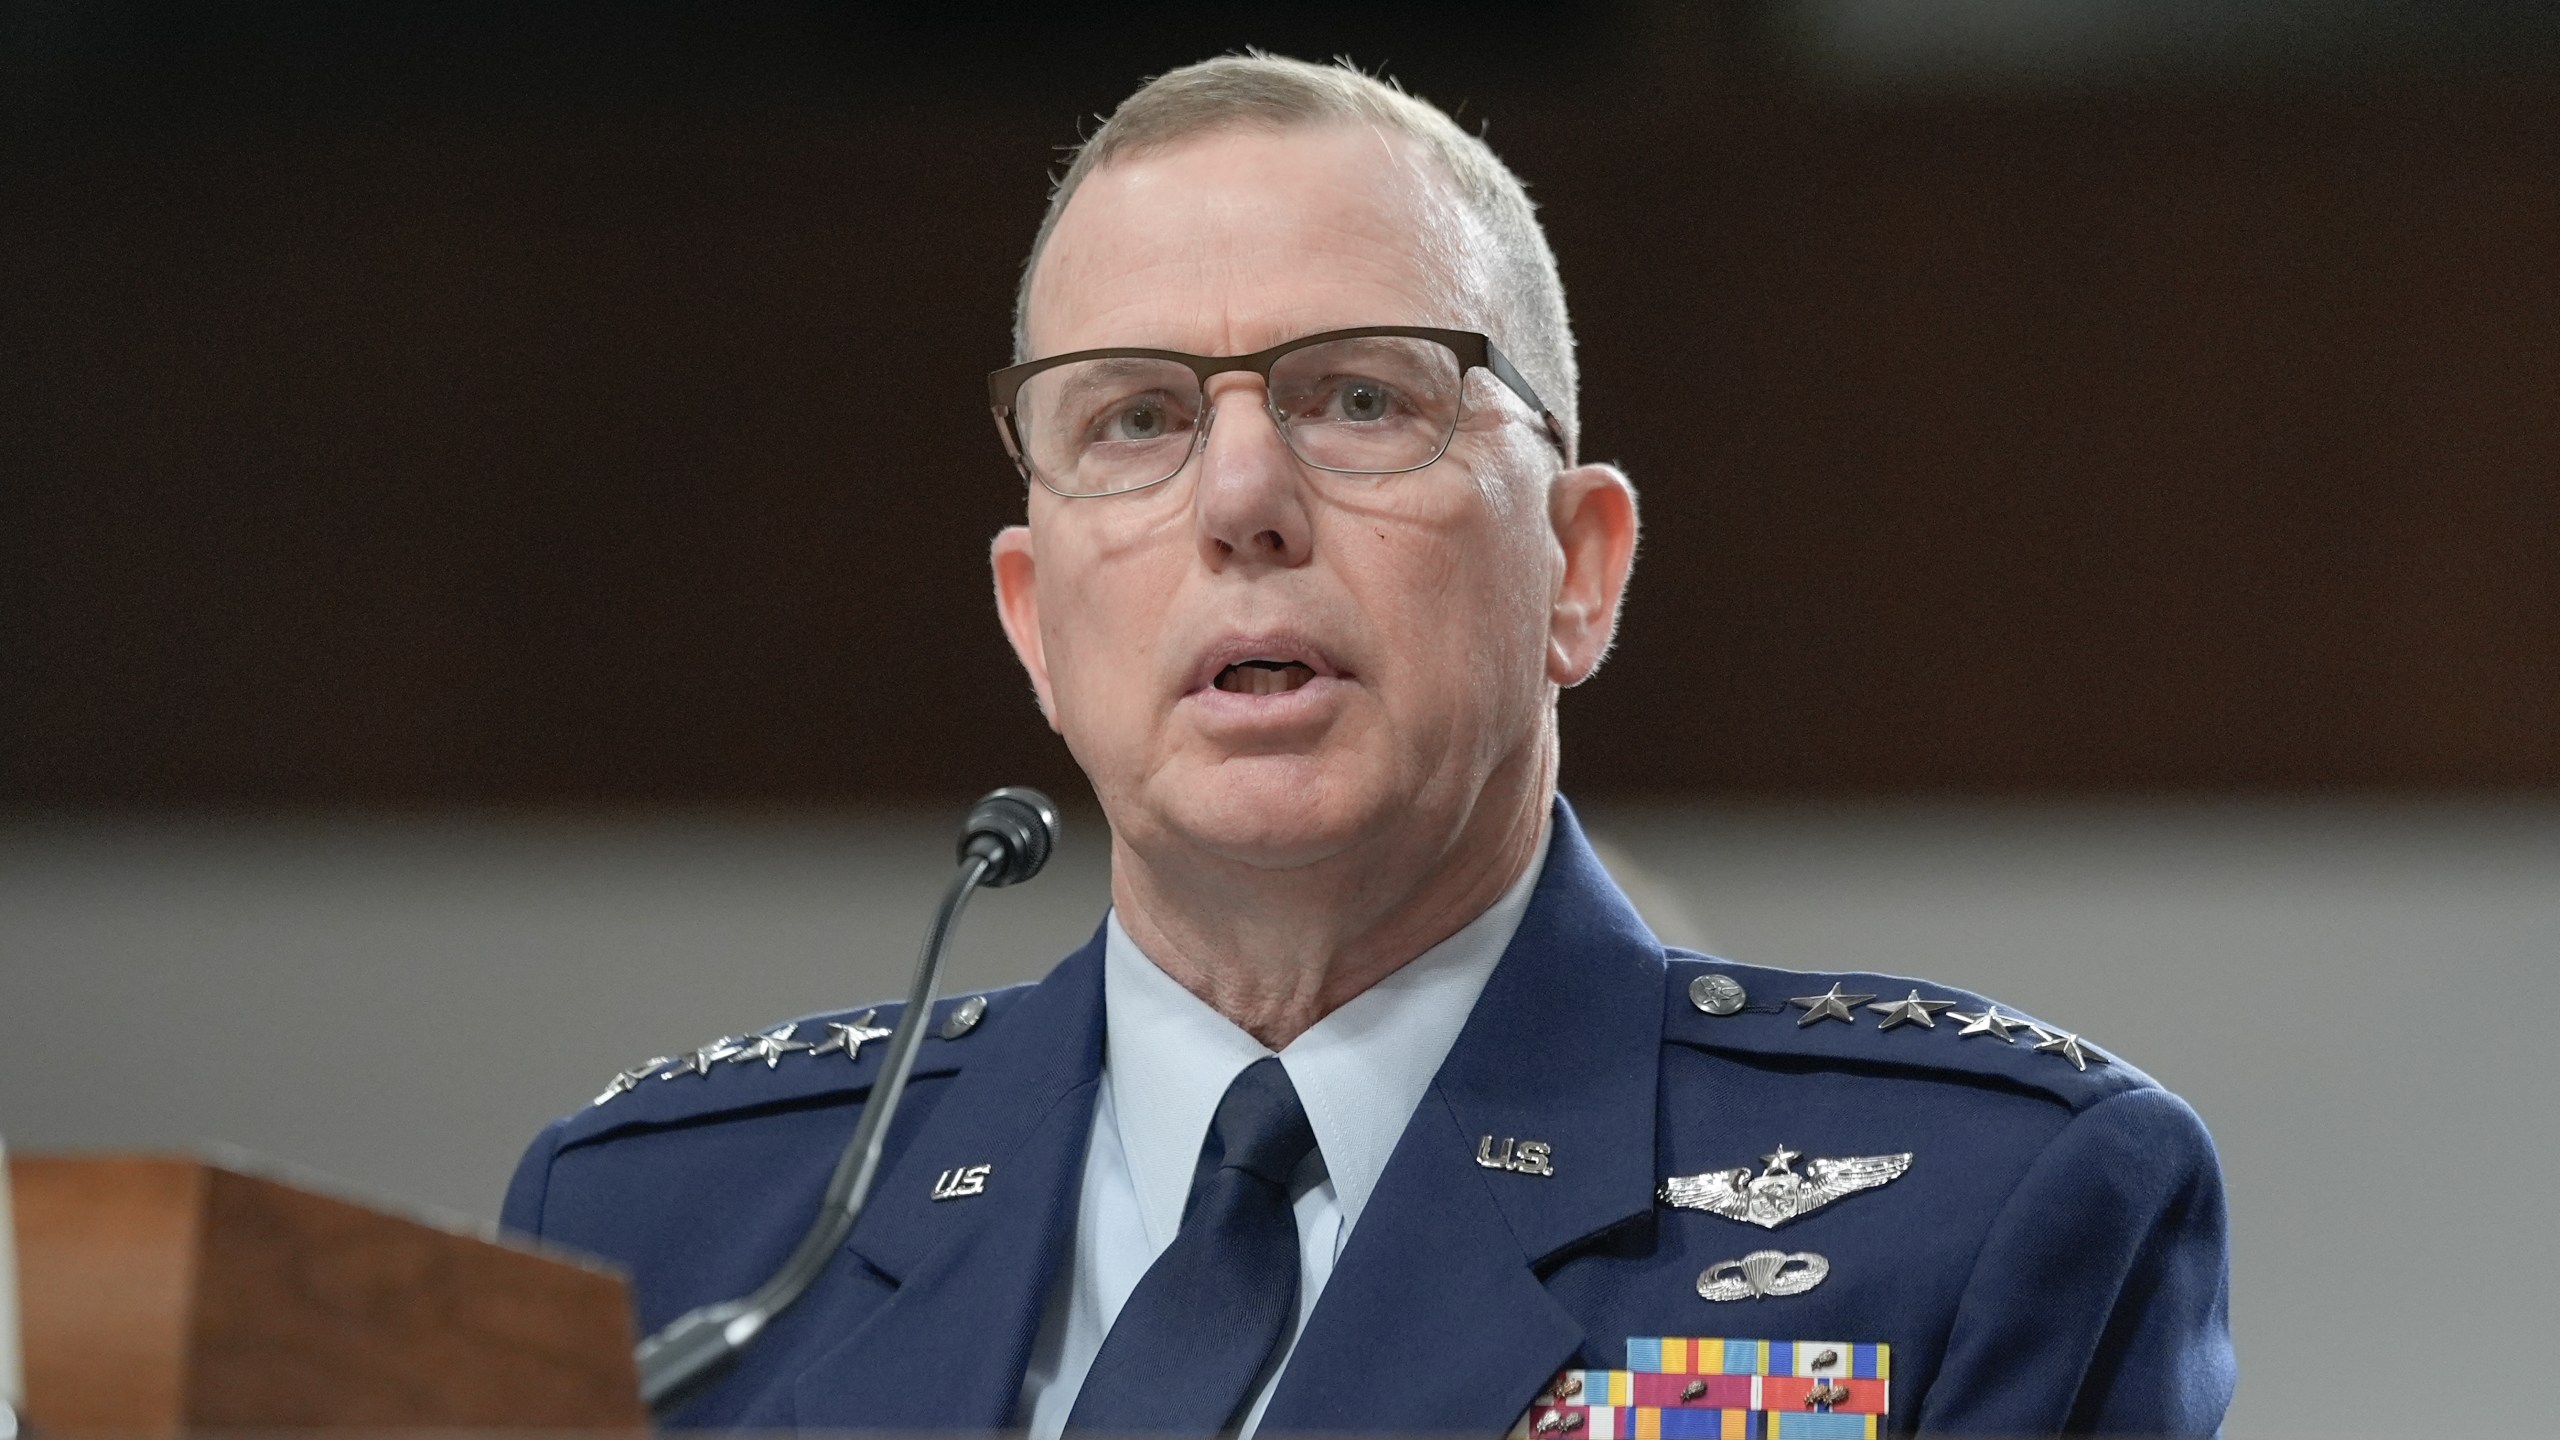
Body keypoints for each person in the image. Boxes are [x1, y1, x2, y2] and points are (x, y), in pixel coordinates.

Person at [504, 54, 2234, 1437]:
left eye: (1361, 398)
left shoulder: (1985, 1211)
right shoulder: (670, 1239)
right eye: (1137, 418)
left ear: (1577, 568)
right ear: (1035, 622)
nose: (1243, 499)